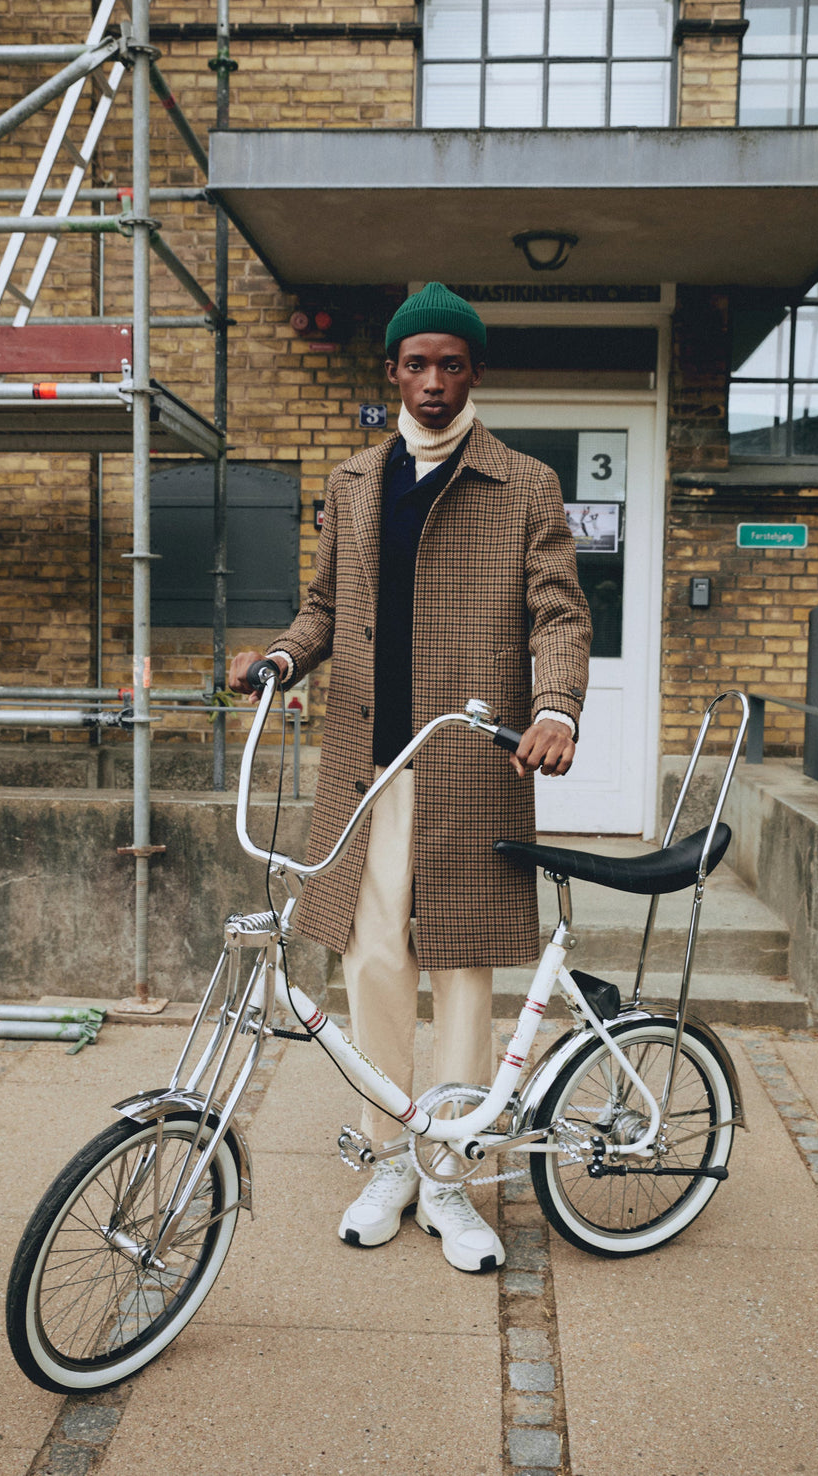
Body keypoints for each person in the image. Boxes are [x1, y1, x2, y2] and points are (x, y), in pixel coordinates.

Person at [229, 282, 591, 1274]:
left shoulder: (524, 483)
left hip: (470, 761)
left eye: (451, 364)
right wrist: (281, 658)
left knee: (463, 971)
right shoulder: (353, 481)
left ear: (475, 372)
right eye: (416, 362)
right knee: (373, 963)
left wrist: (556, 707)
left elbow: (558, 611)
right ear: (391, 370)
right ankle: (389, 1157)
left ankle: (449, 1174)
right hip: (370, 766)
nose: (433, 380)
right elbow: (322, 607)